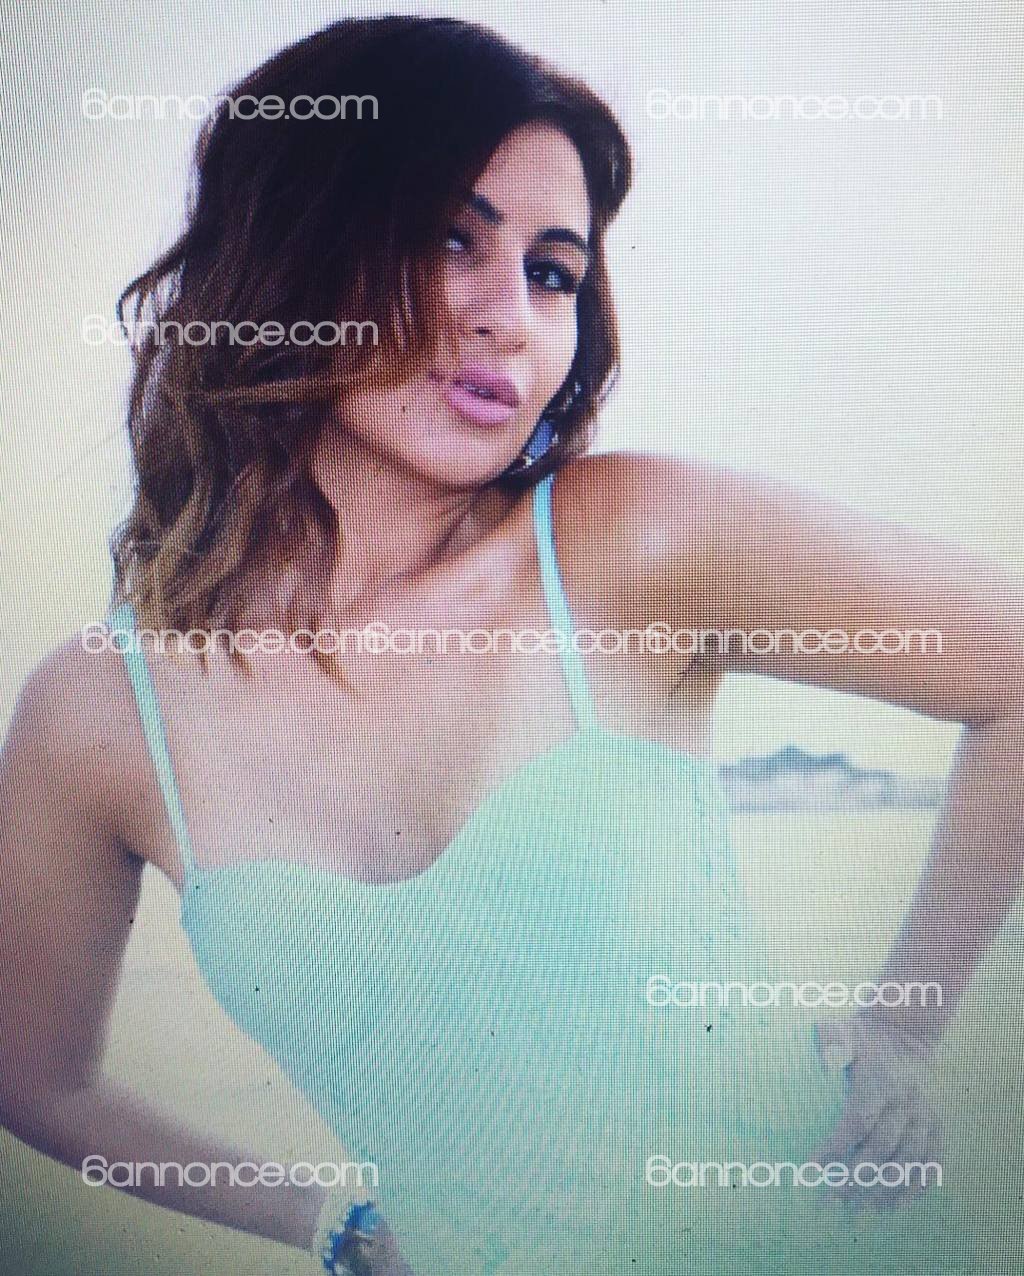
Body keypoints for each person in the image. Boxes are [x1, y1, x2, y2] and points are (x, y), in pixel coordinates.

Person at [1, 15, 1022, 1276]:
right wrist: (328, 1222)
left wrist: (904, 1027)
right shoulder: (101, 712)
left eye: (553, 271)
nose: (511, 318)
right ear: (292, 242)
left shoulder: (627, 540)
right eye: (451, 238)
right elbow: (35, 1075)